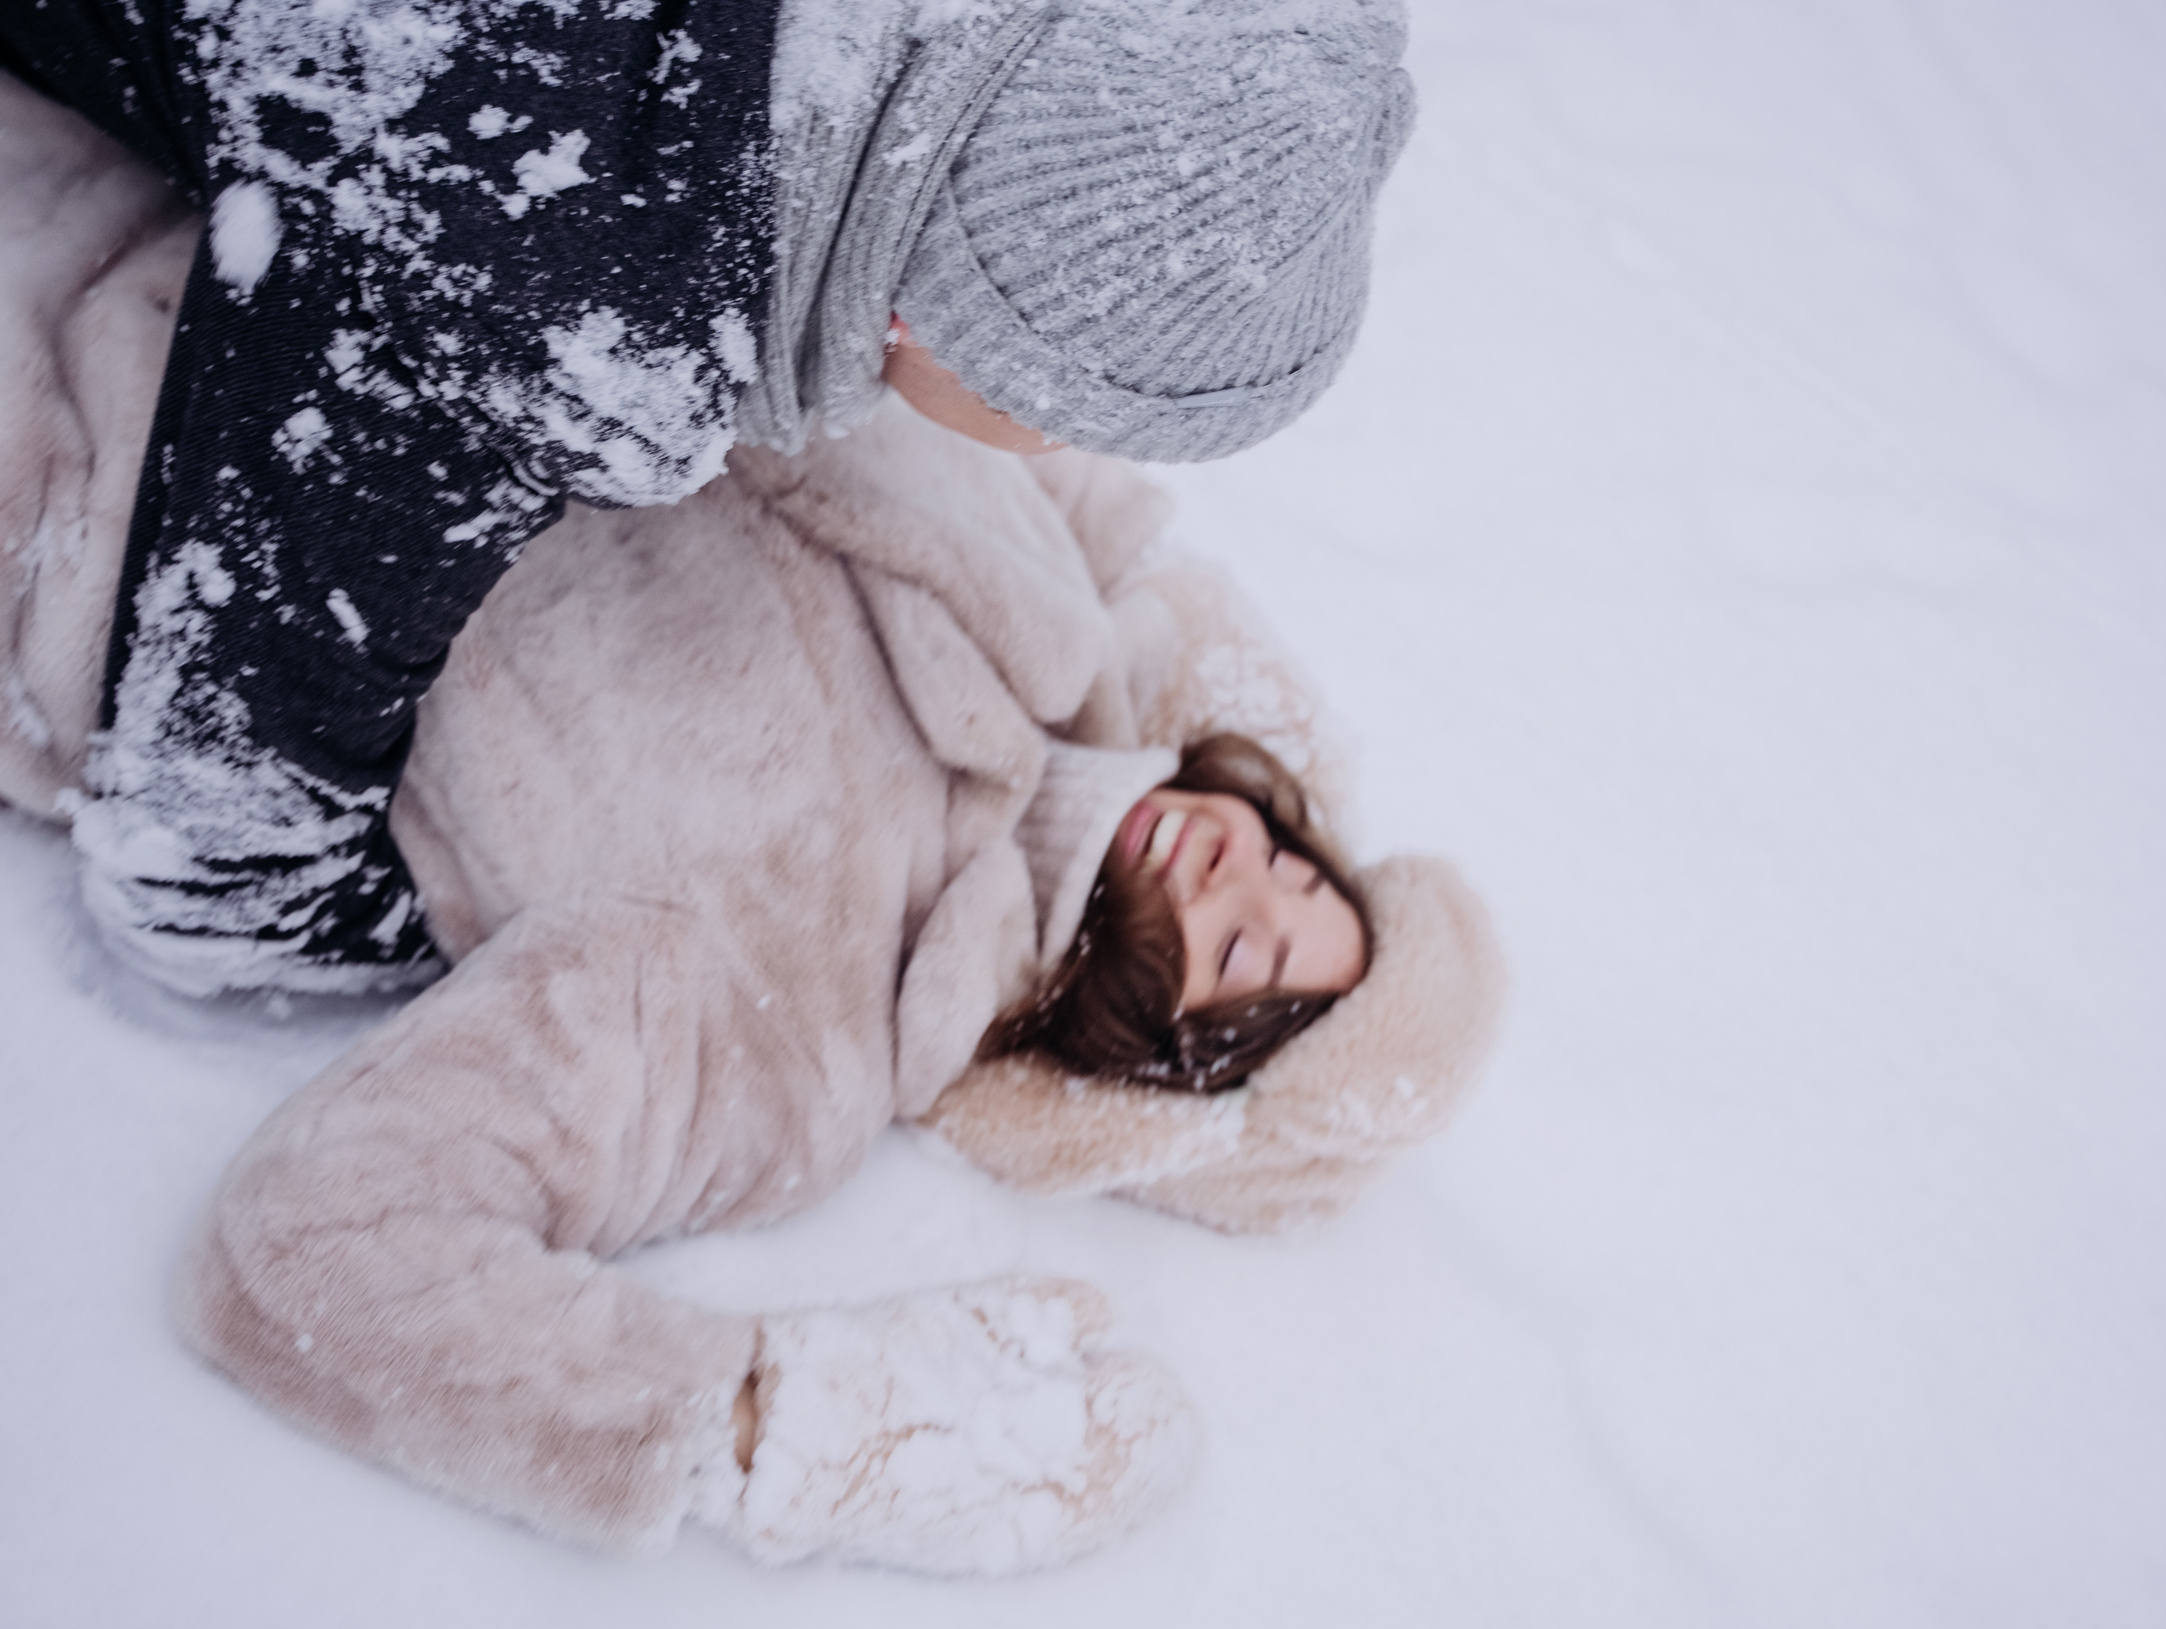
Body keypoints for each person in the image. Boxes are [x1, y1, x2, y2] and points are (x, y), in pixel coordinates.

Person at [1, 88, 1500, 1573]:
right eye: (1299, 865)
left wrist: (774, 1421)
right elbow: (1007, 371)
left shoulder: (794, 1017)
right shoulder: (1053, 609)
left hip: (69, 443)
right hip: (197, 144)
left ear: (1137, 1063)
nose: (1239, 869)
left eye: (1238, 950)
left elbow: (316, 1250)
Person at [0, 0, 1416, 996]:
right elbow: (215, 862)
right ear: (938, 316)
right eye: (1057, 407)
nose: (1047, 453)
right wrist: (450, 920)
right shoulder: (574, 285)